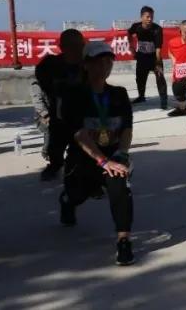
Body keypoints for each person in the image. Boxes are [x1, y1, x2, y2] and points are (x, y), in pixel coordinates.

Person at [58, 41, 137, 265]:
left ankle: (123, 241)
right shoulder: (74, 95)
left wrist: (122, 154)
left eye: (108, 61)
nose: (104, 66)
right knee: (77, 195)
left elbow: (127, 128)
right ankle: (67, 201)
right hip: (83, 159)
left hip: (112, 157)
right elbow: (79, 134)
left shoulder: (119, 94)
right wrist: (102, 161)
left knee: (119, 182)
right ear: (86, 65)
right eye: (98, 62)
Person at [31, 29, 86, 181]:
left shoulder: (88, 65)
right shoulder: (51, 64)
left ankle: (74, 167)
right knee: (55, 147)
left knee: (79, 150)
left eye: (80, 45)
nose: (77, 50)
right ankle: (55, 165)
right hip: (59, 115)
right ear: (62, 47)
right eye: (72, 46)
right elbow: (41, 79)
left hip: (82, 117)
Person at [127, 5, 167, 108]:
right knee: (140, 78)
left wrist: (158, 63)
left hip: (154, 56)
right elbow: (129, 33)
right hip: (142, 56)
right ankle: (141, 96)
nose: (150, 19)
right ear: (142, 17)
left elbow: (158, 49)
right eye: (147, 17)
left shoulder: (157, 29)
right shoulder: (136, 26)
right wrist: (131, 47)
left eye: (152, 17)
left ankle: (164, 100)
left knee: (160, 77)